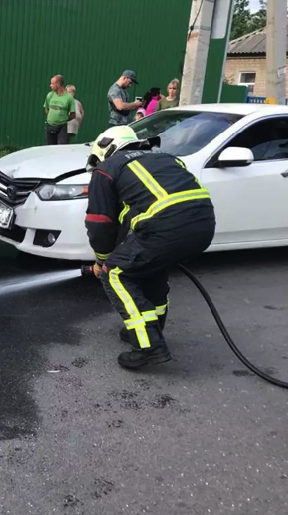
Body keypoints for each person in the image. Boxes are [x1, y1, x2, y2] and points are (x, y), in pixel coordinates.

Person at [83, 126, 216, 369]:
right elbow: (127, 223)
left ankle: (149, 346)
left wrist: (102, 262)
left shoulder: (107, 170)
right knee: (148, 269)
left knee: (115, 274)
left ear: (105, 150)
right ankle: (150, 329)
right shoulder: (165, 158)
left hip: (166, 226)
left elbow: (100, 224)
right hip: (203, 227)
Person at [44, 74, 76, 145]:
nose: (50, 85)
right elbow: (47, 110)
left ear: (58, 84)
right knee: (50, 148)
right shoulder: (50, 95)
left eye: (52, 83)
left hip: (62, 128)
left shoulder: (69, 98)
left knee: (60, 149)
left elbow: (73, 115)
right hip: (50, 126)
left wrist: (62, 119)